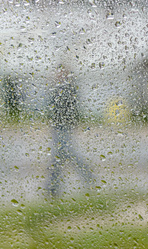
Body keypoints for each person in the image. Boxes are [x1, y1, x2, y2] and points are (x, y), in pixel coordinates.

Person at [45, 64, 96, 198]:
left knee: (62, 156)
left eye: (60, 72)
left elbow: (70, 109)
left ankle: (53, 188)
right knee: (62, 156)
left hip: (64, 126)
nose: (58, 75)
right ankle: (54, 187)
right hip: (58, 126)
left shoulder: (67, 88)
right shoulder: (59, 88)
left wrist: (69, 123)